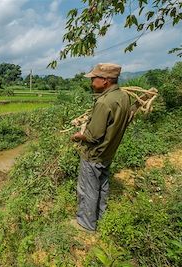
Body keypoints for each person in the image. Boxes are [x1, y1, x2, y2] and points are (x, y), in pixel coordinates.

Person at [70, 63, 131, 232]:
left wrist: (77, 136)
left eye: (93, 79)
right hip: (108, 152)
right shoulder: (124, 97)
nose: (91, 83)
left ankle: (86, 225)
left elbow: (93, 136)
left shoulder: (104, 103)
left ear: (105, 80)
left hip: (94, 154)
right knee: (102, 185)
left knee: (87, 189)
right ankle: (101, 218)